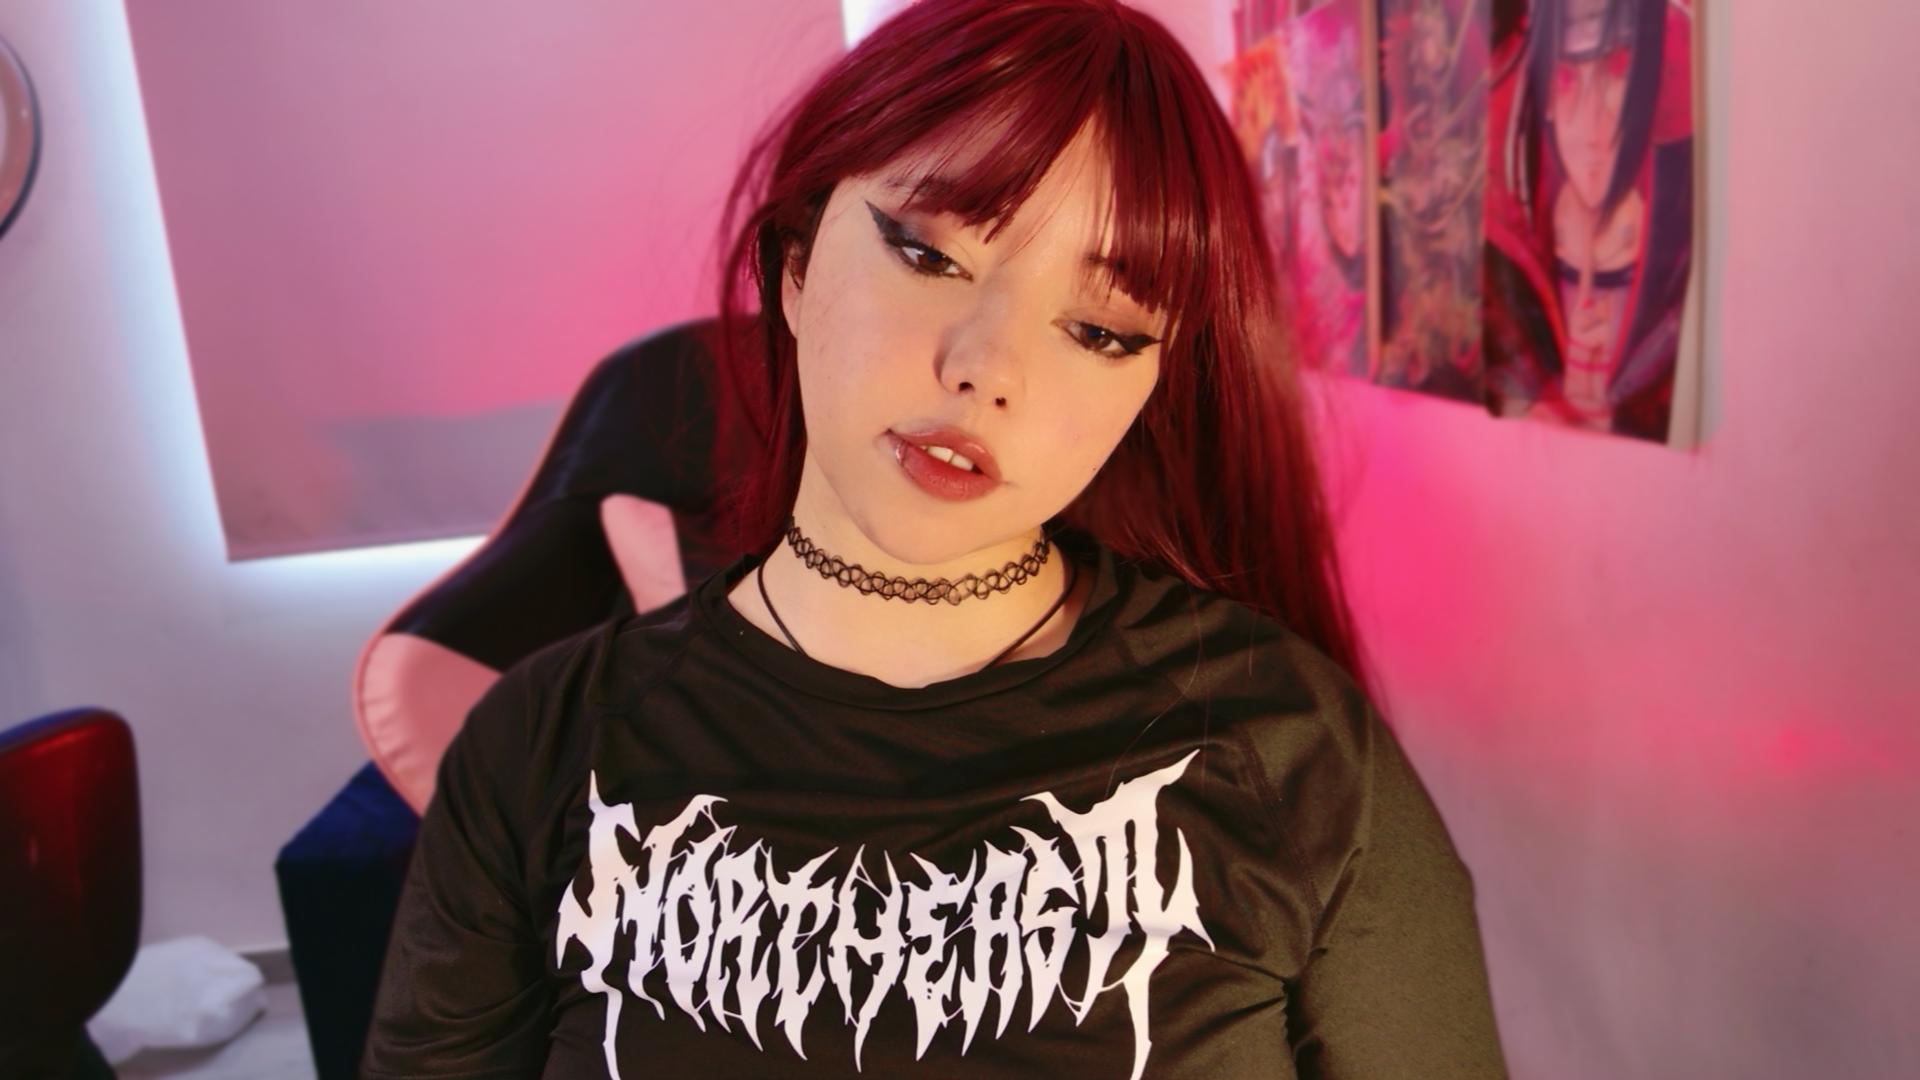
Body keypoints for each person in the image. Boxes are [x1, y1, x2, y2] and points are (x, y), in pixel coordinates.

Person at [361, 1, 1509, 1076]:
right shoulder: (543, 748)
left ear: (1151, 384)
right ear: (797, 264)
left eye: (1100, 329)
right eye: (928, 255)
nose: (986, 368)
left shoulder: (1289, 750)